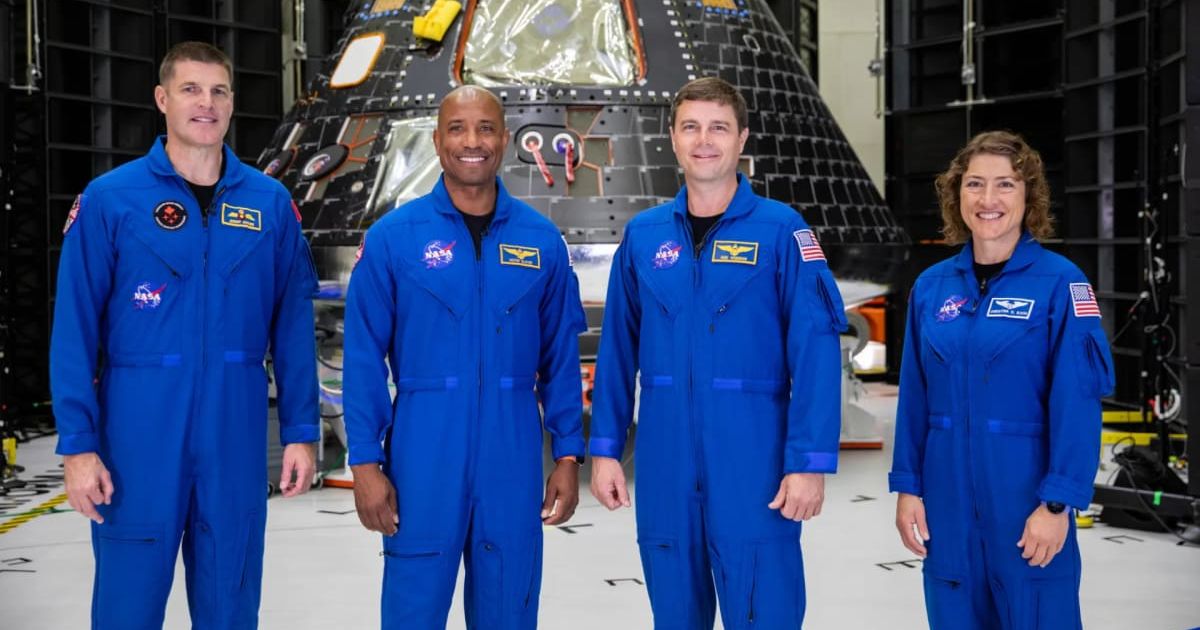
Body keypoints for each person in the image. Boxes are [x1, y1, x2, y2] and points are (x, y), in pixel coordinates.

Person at [50, 41, 319, 628]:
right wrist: (77, 444)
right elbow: (73, 328)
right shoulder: (111, 200)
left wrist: (300, 431)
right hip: (137, 435)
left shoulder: (270, 205)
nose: (207, 103)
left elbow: (294, 328)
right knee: (127, 607)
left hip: (235, 433)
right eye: (191, 89)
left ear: (231, 102)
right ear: (162, 99)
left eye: (219, 90)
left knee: (231, 604)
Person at [588, 77, 848, 629]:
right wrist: (606, 448)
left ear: (741, 138)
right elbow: (616, 351)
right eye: (691, 127)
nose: (704, 140)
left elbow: (817, 351)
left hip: (755, 467)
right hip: (663, 467)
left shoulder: (783, 233)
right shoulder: (642, 236)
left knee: (766, 613)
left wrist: (808, 461)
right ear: (673, 139)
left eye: (718, 128)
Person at [342, 85, 587, 629]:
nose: (471, 141)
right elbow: (362, 357)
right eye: (457, 128)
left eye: (485, 128)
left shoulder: (541, 241)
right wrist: (363, 462)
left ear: (504, 139)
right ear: (437, 139)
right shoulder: (393, 240)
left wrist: (569, 455)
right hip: (422, 452)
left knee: (509, 606)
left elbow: (560, 360)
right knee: (413, 609)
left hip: (512, 453)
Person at [889, 131, 1115, 629]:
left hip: (1025, 502)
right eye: (974, 184)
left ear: (1028, 195)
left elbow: (1078, 404)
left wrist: (1057, 503)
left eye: (1005, 185)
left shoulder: (1062, 283)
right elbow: (915, 398)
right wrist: (908, 487)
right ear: (957, 195)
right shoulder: (932, 287)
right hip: (947, 505)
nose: (988, 200)